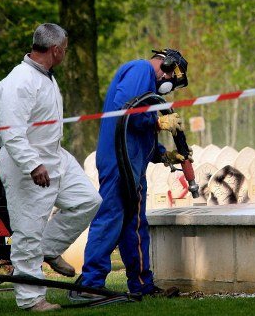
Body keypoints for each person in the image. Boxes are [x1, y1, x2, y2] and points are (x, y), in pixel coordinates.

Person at [0, 23, 102, 311]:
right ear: (54, 50)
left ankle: (49, 249)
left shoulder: (45, 77)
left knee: (87, 201)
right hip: (25, 162)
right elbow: (12, 134)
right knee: (28, 231)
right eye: (64, 50)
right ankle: (31, 299)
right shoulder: (20, 82)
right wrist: (33, 164)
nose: (65, 54)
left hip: (55, 154)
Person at [70, 48, 190, 300]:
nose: (168, 86)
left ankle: (142, 284)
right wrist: (157, 122)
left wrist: (162, 154)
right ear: (167, 65)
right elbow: (126, 112)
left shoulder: (146, 82)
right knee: (110, 220)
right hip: (118, 160)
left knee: (134, 226)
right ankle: (90, 285)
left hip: (132, 162)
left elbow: (139, 131)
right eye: (172, 80)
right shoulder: (141, 70)